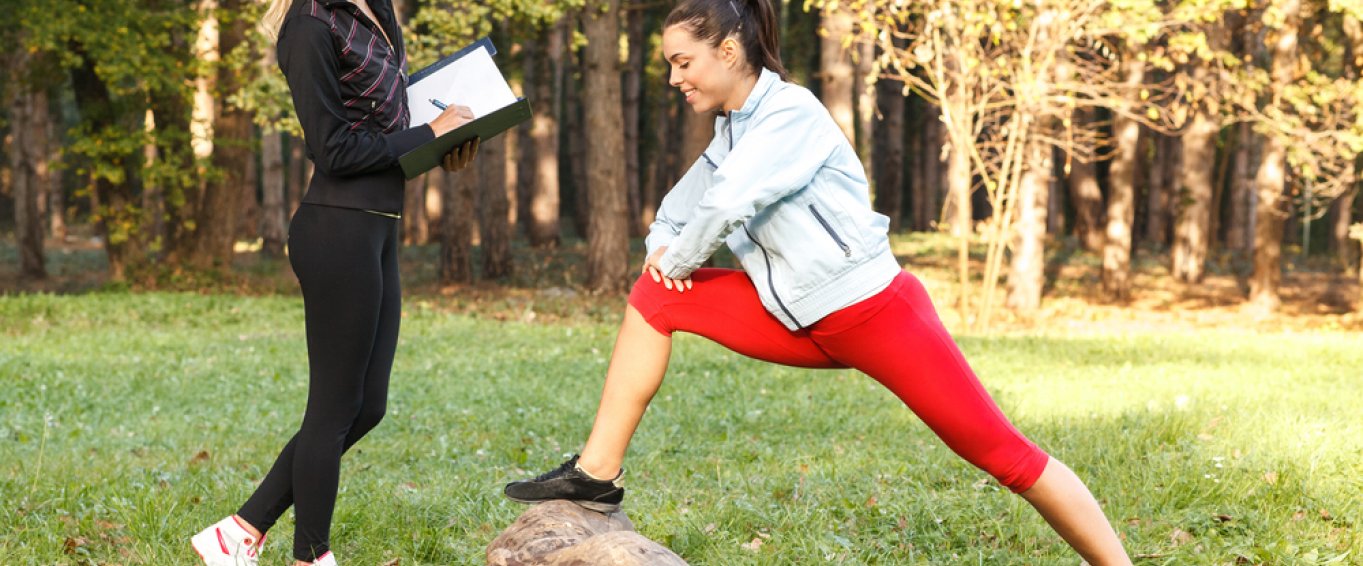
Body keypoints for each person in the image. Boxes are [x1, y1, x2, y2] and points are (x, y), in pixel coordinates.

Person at [503, 0, 1133, 563]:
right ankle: (597, 474)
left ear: (727, 51)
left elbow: (727, 205)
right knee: (652, 300)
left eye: (683, 62)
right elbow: (676, 210)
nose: (675, 79)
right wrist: (661, 251)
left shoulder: (789, 113)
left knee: (1007, 458)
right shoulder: (733, 130)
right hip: (794, 321)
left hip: (874, 316)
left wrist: (676, 258)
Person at [190, 0, 479, 564]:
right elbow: (334, 149)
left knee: (367, 405)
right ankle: (311, 556)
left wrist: (441, 144)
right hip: (337, 231)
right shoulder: (308, 25)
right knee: (332, 409)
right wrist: (426, 132)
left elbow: (387, 127)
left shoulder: (377, 10)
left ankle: (238, 532)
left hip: (378, 228)